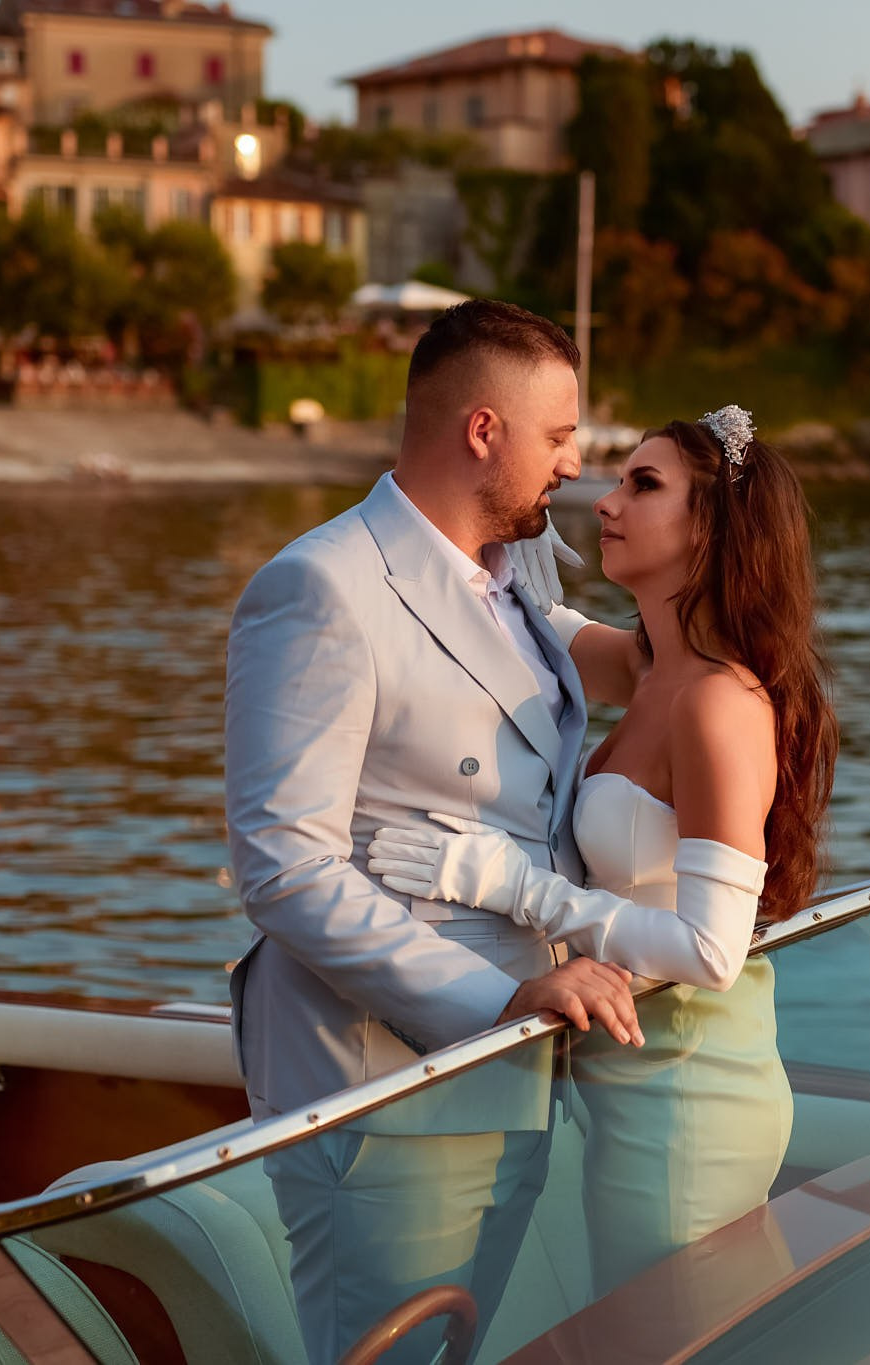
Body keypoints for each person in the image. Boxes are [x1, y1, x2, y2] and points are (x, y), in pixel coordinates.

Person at [222, 299, 642, 1365]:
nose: (574, 462)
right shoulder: (323, 587)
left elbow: (659, 667)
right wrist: (495, 998)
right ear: (482, 431)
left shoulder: (513, 584)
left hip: (511, 1064)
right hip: (382, 1080)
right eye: (558, 436)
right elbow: (284, 870)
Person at [369, 405, 840, 1295]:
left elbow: (711, 951)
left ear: (715, 528)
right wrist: (500, 551)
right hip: (635, 1078)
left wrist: (514, 886)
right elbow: (524, 623)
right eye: (618, 479)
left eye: (644, 484)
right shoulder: (652, 666)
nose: (606, 502)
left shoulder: (716, 702)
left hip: (689, 1092)